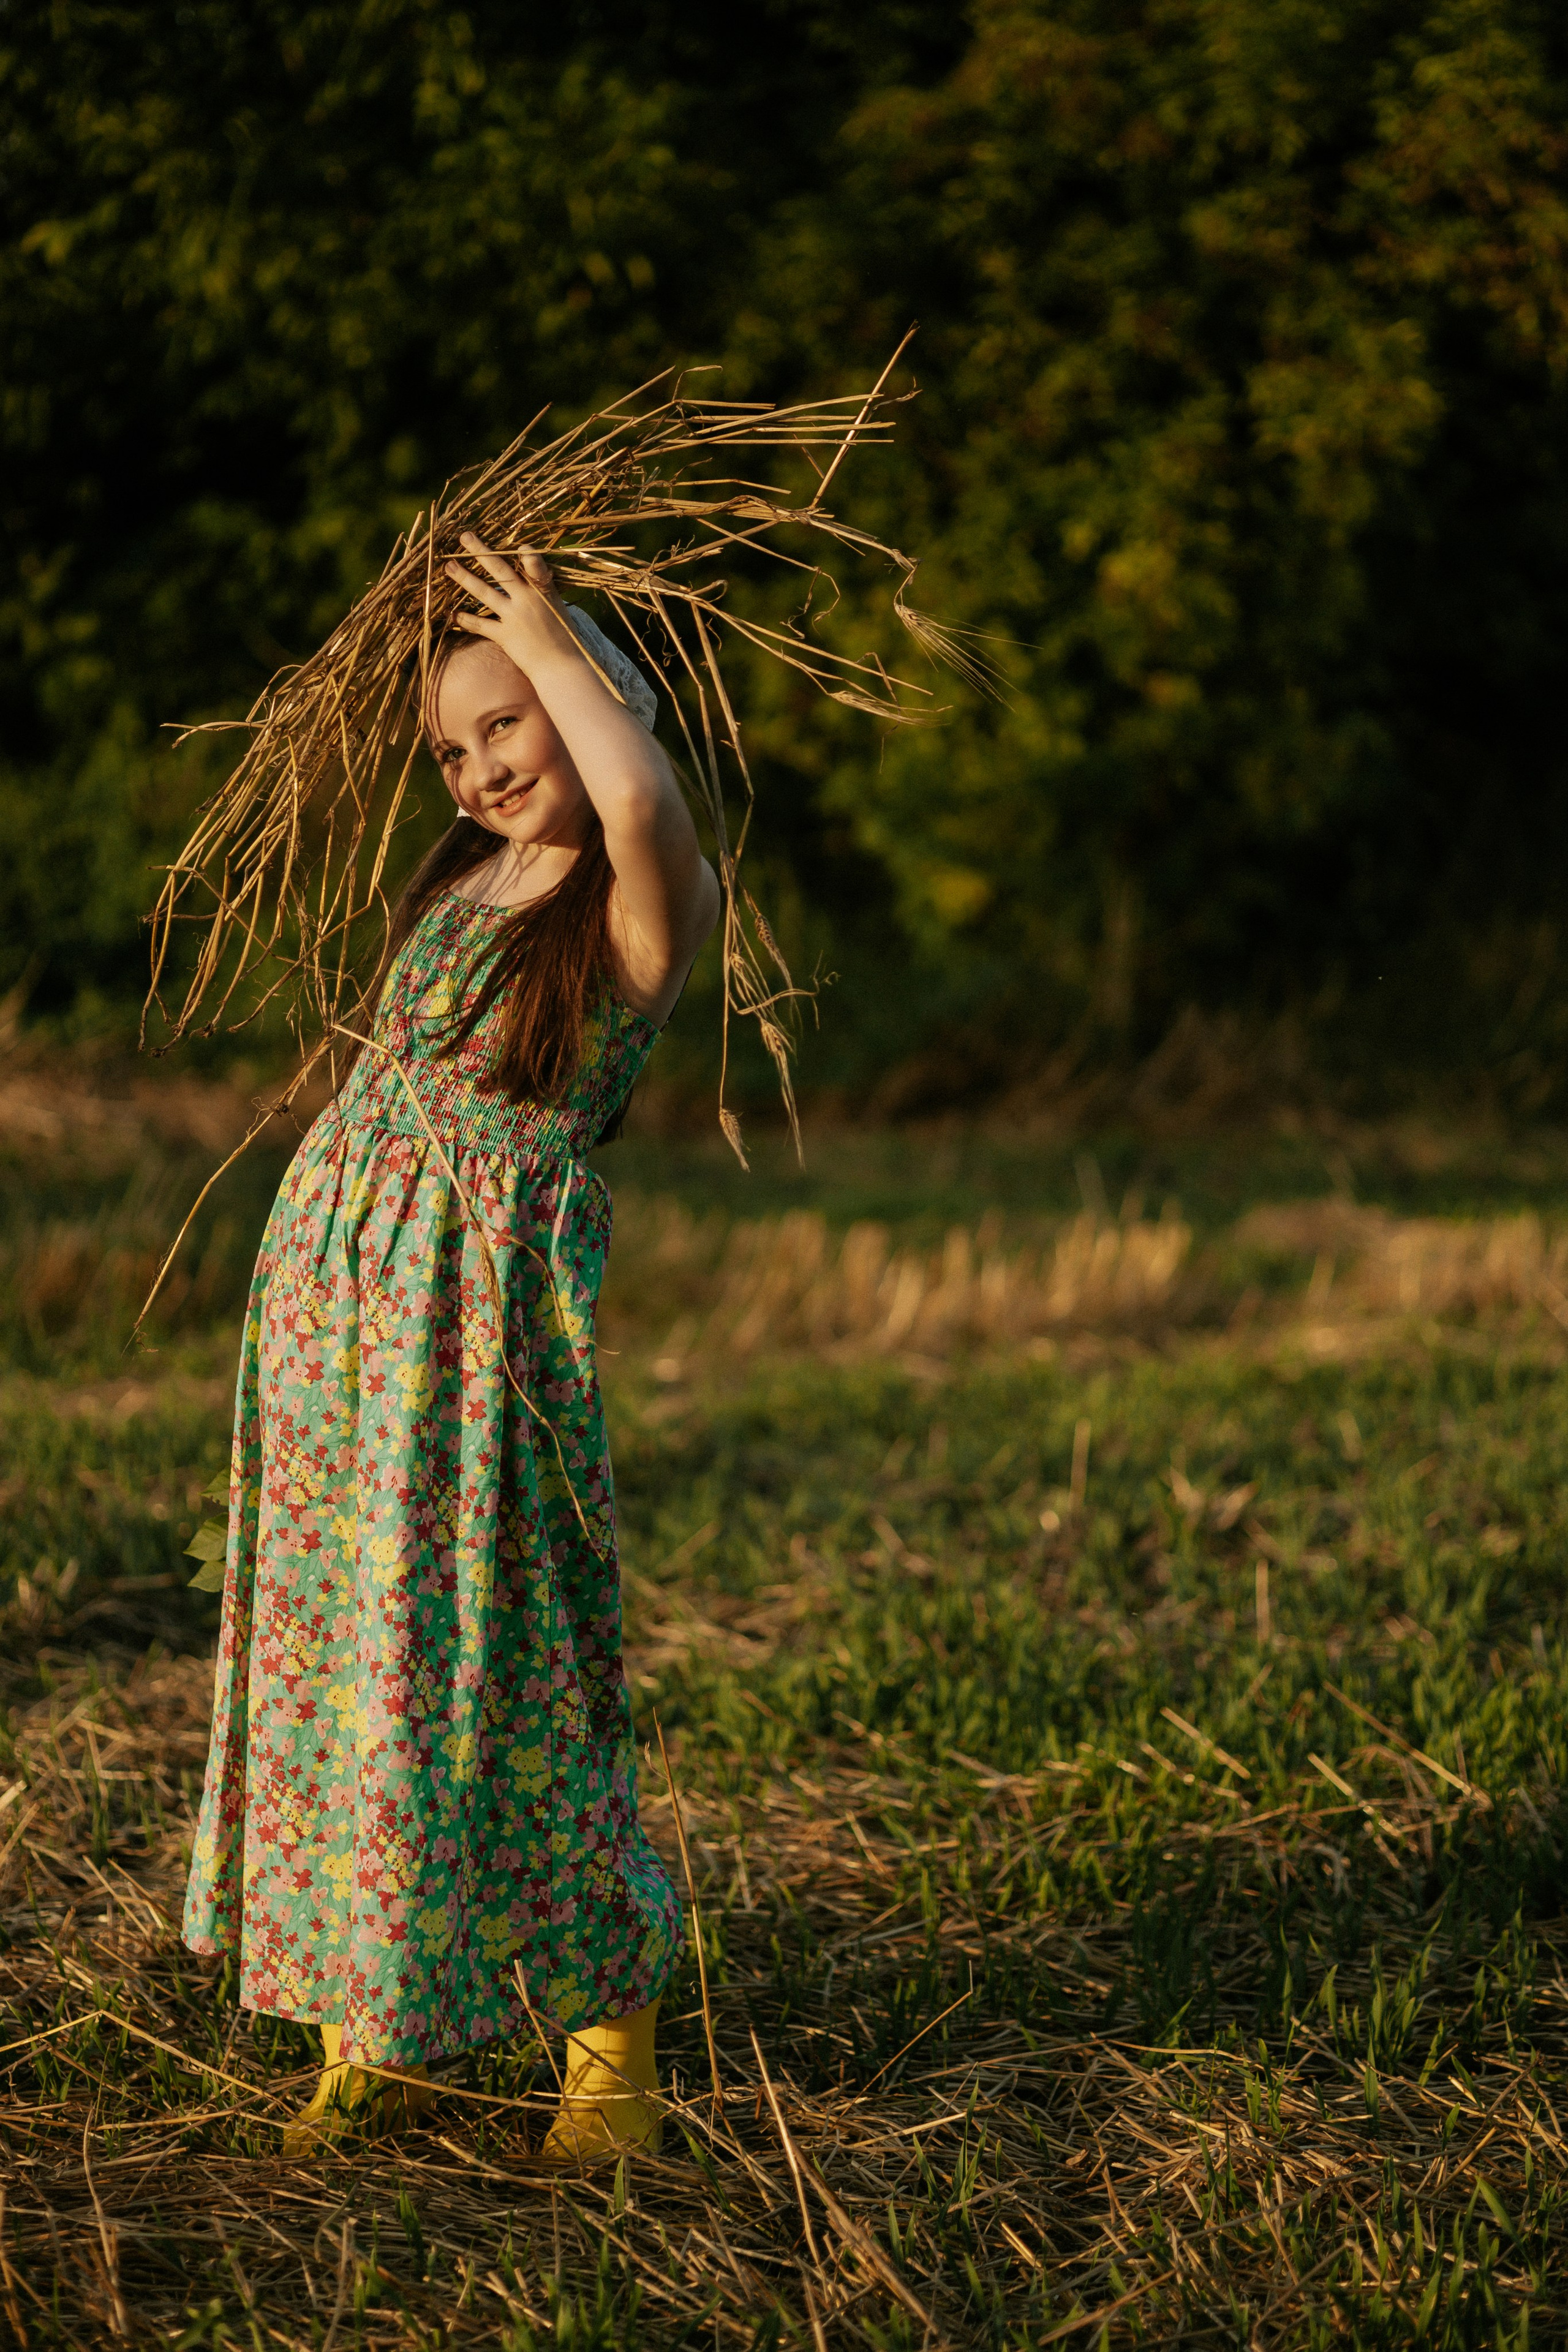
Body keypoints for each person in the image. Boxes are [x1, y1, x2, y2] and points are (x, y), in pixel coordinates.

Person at [182, 535, 719, 2162]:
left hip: (476, 1343)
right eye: (451, 745)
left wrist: (554, 638)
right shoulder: (458, 881)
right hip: (341, 1328)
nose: (480, 767)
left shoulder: (639, 902)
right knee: (358, 1658)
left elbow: (642, 802)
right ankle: (385, 2017)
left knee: (509, 1653)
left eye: (511, 719)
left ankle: (609, 2042)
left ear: (598, 699)